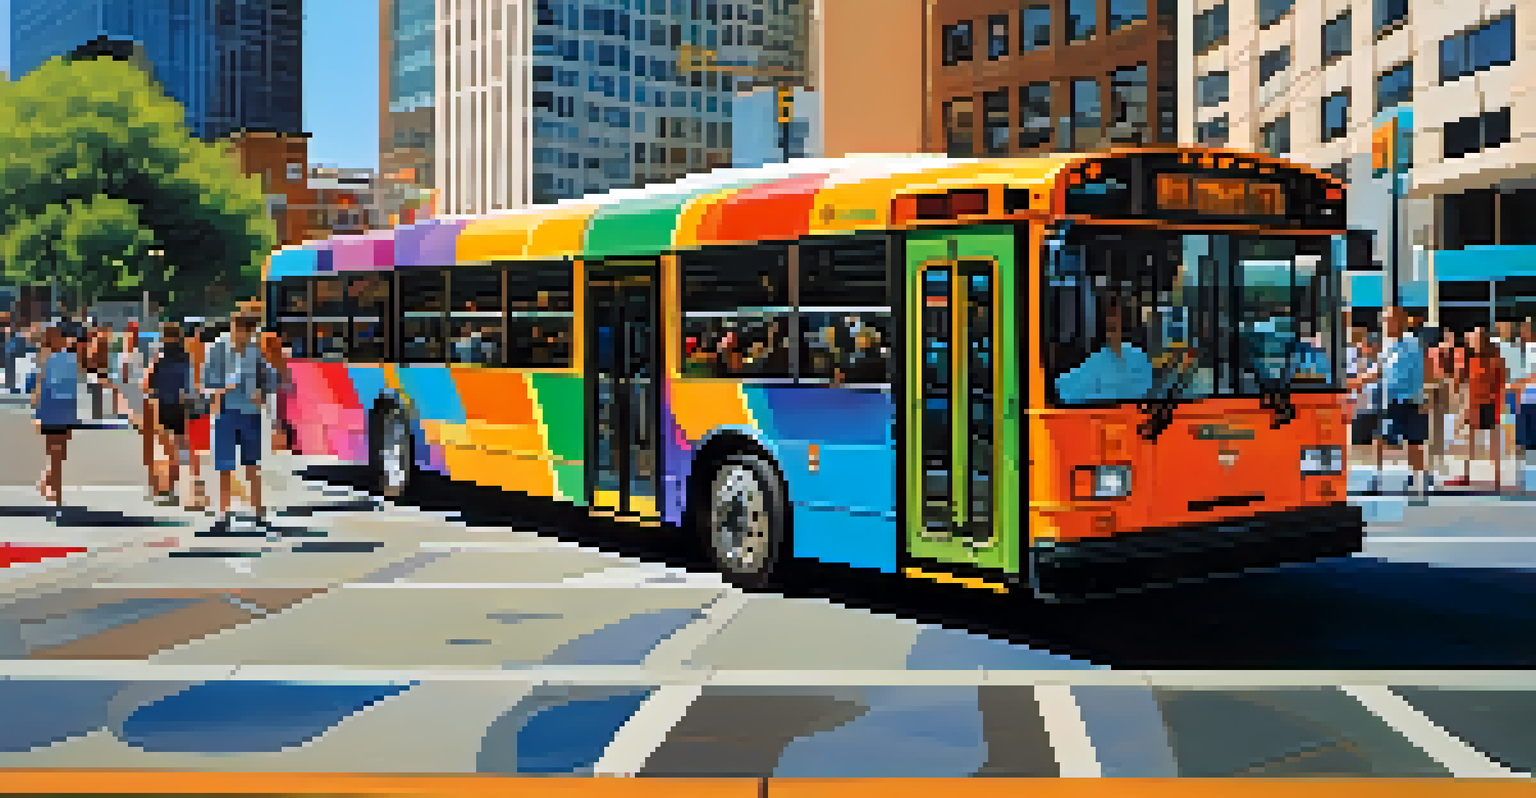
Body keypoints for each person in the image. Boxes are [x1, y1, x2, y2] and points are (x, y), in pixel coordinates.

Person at [203, 309, 280, 532]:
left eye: (250, 333)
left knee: (252, 465)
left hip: (251, 413)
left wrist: (263, 391)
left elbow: (270, 377)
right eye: (244, 332)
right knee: (224, 467)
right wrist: (225, 386)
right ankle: (223, 516)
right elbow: (206, 381)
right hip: (225, 412)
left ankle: (259, 514)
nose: (247, 338)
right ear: (235, 328)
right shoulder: (217, 347)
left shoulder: (255, 349)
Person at [1055, 295, 1153, 404]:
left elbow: (1144, 390)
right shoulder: (1095, 360)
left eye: (1115, 317)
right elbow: (1067, 386)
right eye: (1110, 318)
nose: (1112, 321)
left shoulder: (1139, 357)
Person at [1374, 307, 1428, 494]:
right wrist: (1355, 381)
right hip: (1390, 400)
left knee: (1414, 442)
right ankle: (1378, 477)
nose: (1386, 324)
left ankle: (1418, 479)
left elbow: (1421, 372)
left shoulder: (1412, 344)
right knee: (1381, 439)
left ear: (1400, 322)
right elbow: (1379, 370)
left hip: (1410, 400)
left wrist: (1421, 400)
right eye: (1385, 320)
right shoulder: (1387, 346)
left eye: (1389, 320)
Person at [32, 324, 81, 523]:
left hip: (62, 409)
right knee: (55, 452)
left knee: (58, 453)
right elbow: (38, 386)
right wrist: (37, 412)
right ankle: (56, 498)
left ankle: (49, 484)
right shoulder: (46, 359)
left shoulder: (67, 358)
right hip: (52, 409)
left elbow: (72, 387)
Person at [146, 322, 199, 507]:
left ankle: (169, 490)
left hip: (165, 404)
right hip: (179, 404)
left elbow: (150, 383)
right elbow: (190, 382)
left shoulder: (160, 356)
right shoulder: (185, 357)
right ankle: (176, 489)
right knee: (177, 449)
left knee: (168, 449)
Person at [1454, 327, 1507, 490]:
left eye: (1477, 339)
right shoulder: (1471, 360)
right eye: (1473, 340)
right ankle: (1466, 474)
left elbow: (1501, 384)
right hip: (1474, 403)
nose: (1474, 343)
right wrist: (1465, 407)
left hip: (1489, 404)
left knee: (1493, 441)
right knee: (1468, 440)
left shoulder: (1495, 360)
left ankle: (1497, 477)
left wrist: (1497, 405)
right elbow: (1463, 382)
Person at [114, 324, 159, 500]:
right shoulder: (125, 357)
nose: (132, 337)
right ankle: (151, 484)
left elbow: (131, 382)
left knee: (147, 446)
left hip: (139, 404)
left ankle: (152, 484)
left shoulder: (136, 356)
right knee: (145, 446)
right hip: (134, 405)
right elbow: (122, 383)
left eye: (134, 334)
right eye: (130, 334)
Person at [1347, 333, 1384, 474]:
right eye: (1367, 345)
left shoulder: (1380, 363)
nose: (1369, 349)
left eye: (1373, 346)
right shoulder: (1354, 362)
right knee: (1356, 449)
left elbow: (1365, 379)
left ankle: (1376, 474)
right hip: (1358, 410)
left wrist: (1356, 381)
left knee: (1373, 447)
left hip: (1374, 410)